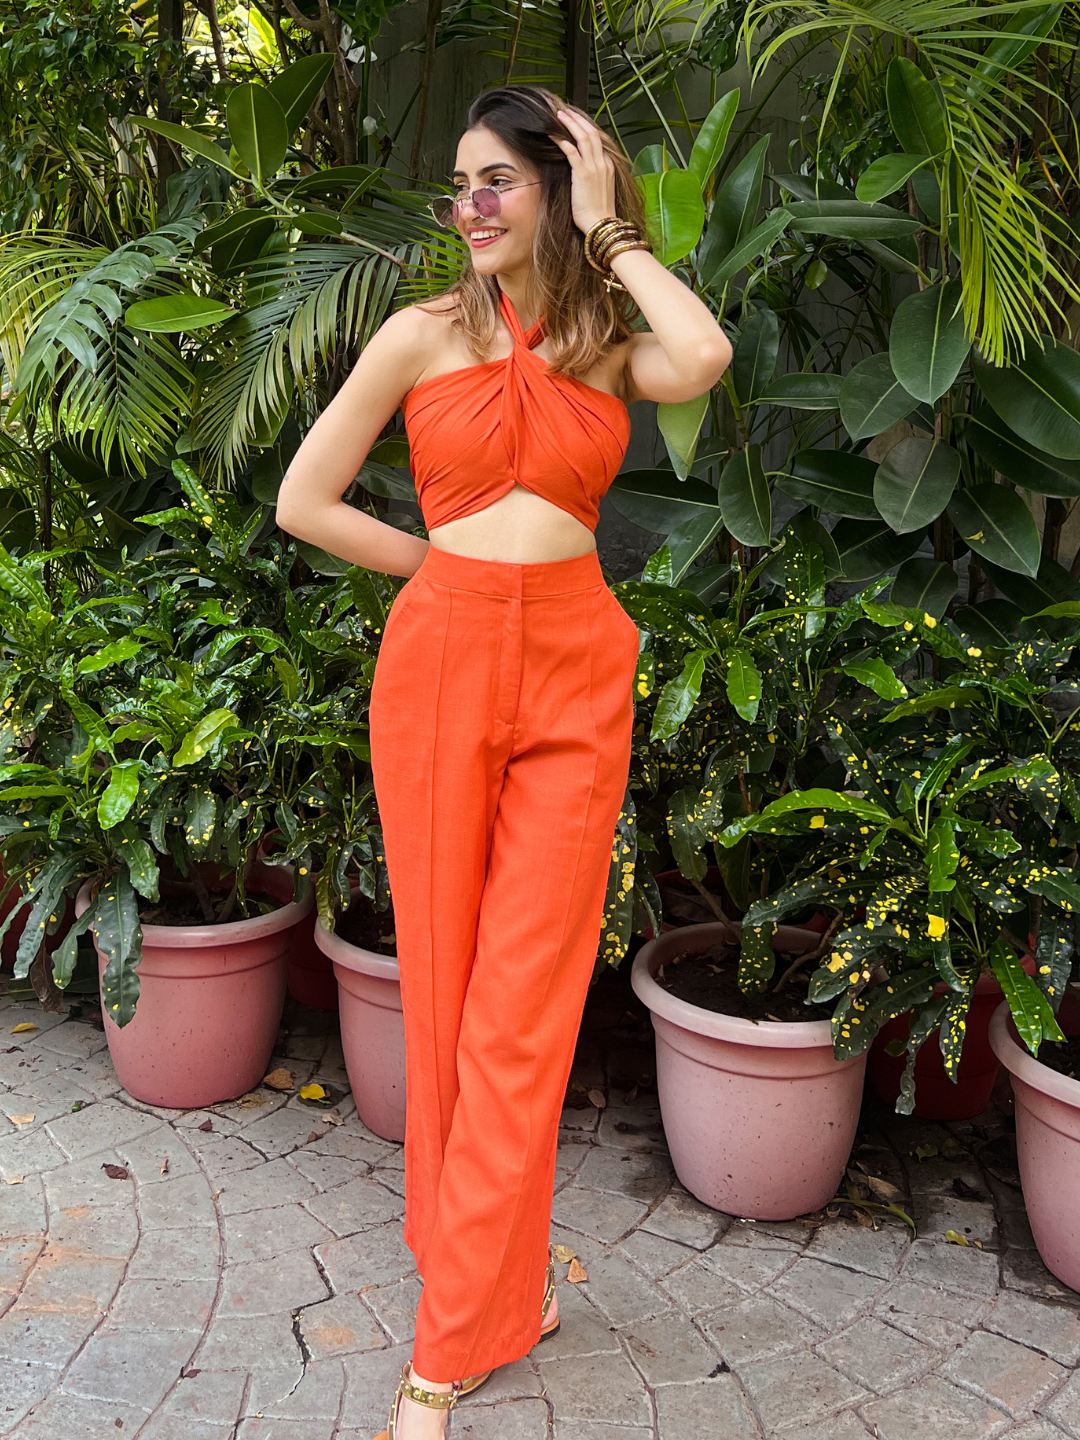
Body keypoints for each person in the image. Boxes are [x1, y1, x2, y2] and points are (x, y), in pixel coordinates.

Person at [275, 83, 731, 1439]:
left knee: (524, 1002)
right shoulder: (418, 336)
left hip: (582, 663)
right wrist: (445, 577)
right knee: (448, 987)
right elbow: (306, 501)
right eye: (457, 185)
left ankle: (445, 1346)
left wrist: (614, 236)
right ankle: (486, 1284)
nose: (470, 207)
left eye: (499, 181)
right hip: (443, 661)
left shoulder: (603, 340)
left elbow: (700, 358)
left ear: (556, 188)